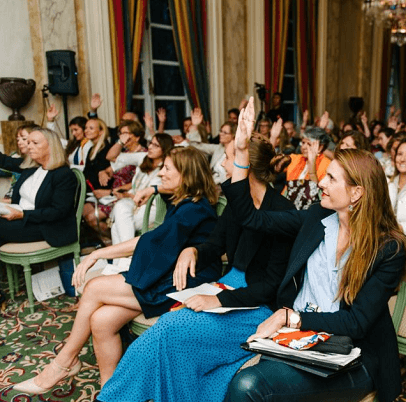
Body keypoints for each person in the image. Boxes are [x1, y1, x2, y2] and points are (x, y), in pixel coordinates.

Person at [222, 98, 406, 402]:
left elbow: (356, 323)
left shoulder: (388, 248)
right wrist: (242, 152)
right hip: (298, 340)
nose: (320, 181)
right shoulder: (316, 218)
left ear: (356, 193)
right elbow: (250, 217)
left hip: (349, 355)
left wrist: (290, 318)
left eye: (331, 178)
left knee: (248, 385)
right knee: (242, 381)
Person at [98, 130, 296, 402]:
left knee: (172, 329)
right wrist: (193, 250)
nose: (222, 165)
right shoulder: (238, 206)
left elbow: (271, 286)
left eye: (227, 158)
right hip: (227, 287)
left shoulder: (284, 213)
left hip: (259, 306)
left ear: (245, 167)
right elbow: (214, 244)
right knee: (169, 328)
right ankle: (115, 398)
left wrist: (218, 299)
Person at [11, 147, 219, 395]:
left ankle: (63, 362)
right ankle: (109, 392)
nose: (160, 174)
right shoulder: (187, 201)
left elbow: (147, 243)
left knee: (94, 287)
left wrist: (97, 253)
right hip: (171, 272)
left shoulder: (193, 209)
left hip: (186, 283)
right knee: (101, 320)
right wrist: (152, 189)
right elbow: (154, 238)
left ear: (185, 175)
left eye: (166, 169)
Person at [0, 127, 78, 246]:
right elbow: (5, 160)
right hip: (23, 218)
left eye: (35, 143)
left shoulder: (63, 174)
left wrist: (22, 214)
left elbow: (58, 211)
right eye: (28, 143)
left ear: (51, 146)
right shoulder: (31, 168)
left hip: (47, 227)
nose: (29, 146)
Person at [110, 133, 174, 245]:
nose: (150, 147)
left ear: (164, 149)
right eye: (151, 143)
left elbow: (149, 197)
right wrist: (120, 142)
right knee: (120, 211)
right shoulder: (144, 157)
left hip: (155, 206)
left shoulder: (167, 167)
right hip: (134, 202)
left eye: (156, 145)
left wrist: (126, 195)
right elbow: (111, 157)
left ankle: (125, 256)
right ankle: (125, 258)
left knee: (116, 227)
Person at [282, 126, 332, 210]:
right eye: (303, 143)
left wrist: (312, 162)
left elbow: (316, 193)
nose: (303, 147)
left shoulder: (327, 165)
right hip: (287, 204)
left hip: (310, 208)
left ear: (320, 147)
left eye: (308, 144)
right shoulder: (296, 158)